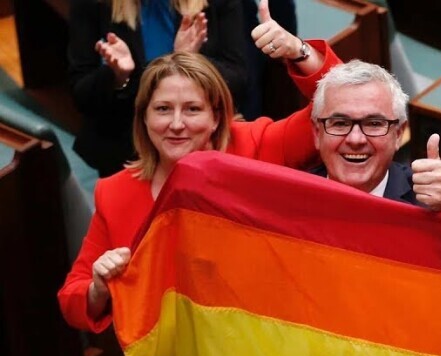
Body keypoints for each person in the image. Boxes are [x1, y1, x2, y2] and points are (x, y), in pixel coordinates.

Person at [58, 28, 341, 334]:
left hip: (266, 340)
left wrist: (300, 52)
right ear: (144, 118)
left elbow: (343, 107)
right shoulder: (116, 192)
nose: (176, 124)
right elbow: (72, 298)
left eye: (192, 109)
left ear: (216, 117)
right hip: (175, 352)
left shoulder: (255, 147)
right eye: (163, 109)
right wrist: (98, 288)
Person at [68, 0, 248, 176]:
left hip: (202, 151)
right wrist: (117, 76)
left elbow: (237, 80)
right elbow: (81, 94)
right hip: (122, 152)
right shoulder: (93, 4)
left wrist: (187, 60)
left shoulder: (218, 4)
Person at [310, 60, 441, 212]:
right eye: (340, 123)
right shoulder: (296, 196)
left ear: (398, 134)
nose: (356, 139)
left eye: (374, 124)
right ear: (317, 133)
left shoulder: (436, 199)